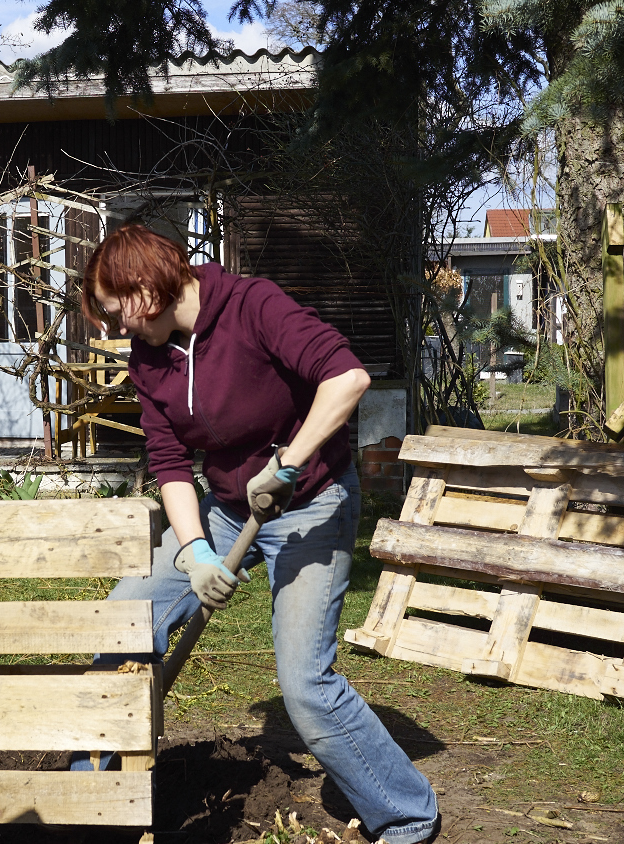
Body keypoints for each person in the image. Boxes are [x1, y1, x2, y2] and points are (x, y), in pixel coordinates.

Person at [74, 223, 440, 844]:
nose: (115, 329)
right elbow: (167, 464)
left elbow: (346, 377)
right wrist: (192, 552)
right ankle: (90, 794)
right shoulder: (149, 360)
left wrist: (291, 461)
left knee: (305, 686)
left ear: (145, 293)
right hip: (221, 508)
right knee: (124, 620)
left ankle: (406, 815)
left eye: (115, 313)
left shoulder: (254, 306)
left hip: (310, 505)